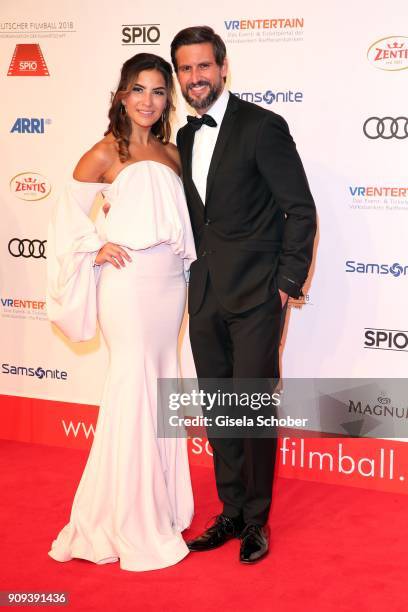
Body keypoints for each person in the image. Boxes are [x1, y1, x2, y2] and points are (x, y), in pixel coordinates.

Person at [170, 26, 317, 564]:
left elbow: (300, 209)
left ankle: (256, 520)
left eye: (203, 66)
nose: (195, 78)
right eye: (185, 69)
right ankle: (230, 511)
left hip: (257, 294)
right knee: (219, 410)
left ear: (223, 67)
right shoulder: (184, 138)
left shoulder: (262, 126)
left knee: (251, 411)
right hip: (205, 294)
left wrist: (286, 285)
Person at [46, 53, 196, 571]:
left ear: (166, 99)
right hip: (127, 286)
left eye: (158, 91)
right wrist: (94, 246)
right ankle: (123, 515)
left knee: (161, 382)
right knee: (133, 384)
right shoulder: (105, 153)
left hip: (169, 285)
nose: (148, 101)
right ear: (121, 95)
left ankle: (161, 505)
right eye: (138, 90)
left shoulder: (174, 155)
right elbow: (65, 215)